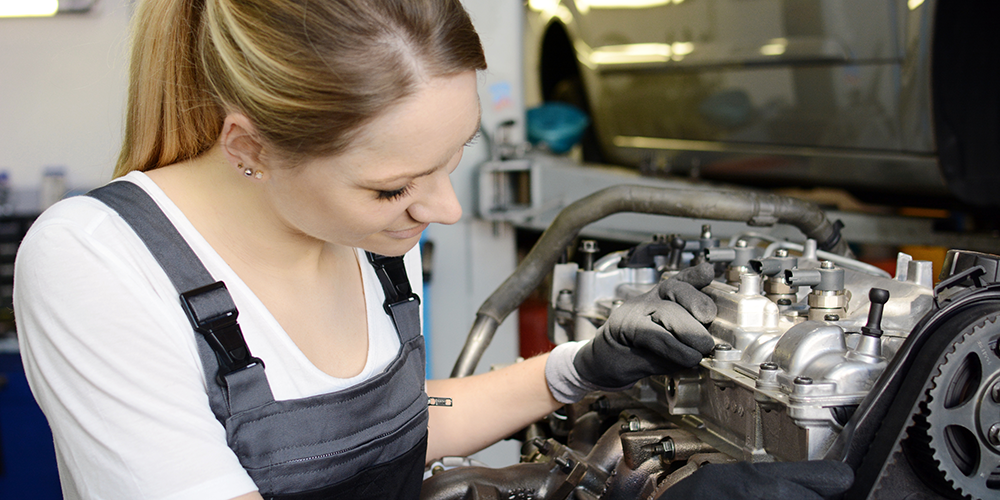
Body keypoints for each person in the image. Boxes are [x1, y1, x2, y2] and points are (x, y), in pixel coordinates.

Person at [14, 0, 852, 499]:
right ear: (251, 146)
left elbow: (391, 432)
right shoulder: (99, 262)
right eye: (393, 187)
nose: (444, 208)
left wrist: (579, 369)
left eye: (453, 161)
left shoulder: (367, 236)